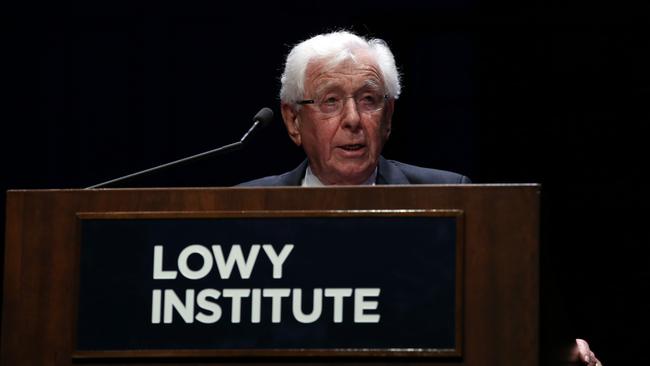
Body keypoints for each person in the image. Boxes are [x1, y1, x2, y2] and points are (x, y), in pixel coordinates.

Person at [239, 30, 601, 366]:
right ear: (293, 120)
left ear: (388, 116)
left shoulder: (452, 198)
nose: (353, 119)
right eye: (330, 101)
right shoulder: (243, 213)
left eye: (369, 100)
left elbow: (501, 314)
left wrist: (557, 350)